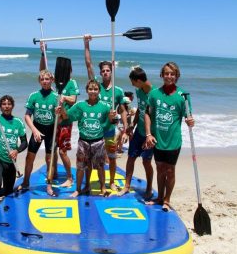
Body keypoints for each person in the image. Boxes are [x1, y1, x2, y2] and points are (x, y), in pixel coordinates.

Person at [145, 62, 195, 211]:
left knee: (170, 170)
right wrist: (148, 134)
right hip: (157, 139)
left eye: (172, 74)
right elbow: (147, 113)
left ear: (177, 76)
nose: (169, 76)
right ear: (162, 75)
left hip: (173, 140)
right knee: (160, 169)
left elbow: (188, 116)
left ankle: (167, 200)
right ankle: (159, 197)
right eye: (166, 73)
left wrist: (190, 120)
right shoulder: (154, 94)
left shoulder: (183, 96)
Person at [56, 79, 116, 198]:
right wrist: (61, 108)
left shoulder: (106, 106)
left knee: (100, 167)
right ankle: (78, 189)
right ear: (86, 90)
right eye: (90, 89)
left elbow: (110, 124)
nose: (93, 91)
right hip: (83, 142)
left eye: (95, 89)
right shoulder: (80, 105)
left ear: (99, 91)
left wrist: (111, 117)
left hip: (98, 141)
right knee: (80, 168)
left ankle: (103, 188)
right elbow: (67, 116)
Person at [83, 35, 128, 191]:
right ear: (100, 73)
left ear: (112, 71)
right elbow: (88, 64)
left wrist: (125, 129)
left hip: (109, 130)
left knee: (112, 158)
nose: (105, 73)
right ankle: (88, 183)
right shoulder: (96, 86)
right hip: (94, 130)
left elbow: (122, 110)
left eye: (108, 70)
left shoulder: (118, 90)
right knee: (91, 159)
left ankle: (112, 182)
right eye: (103, 71)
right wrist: (86, 44)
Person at [39, 44, 79, 187]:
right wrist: (43, 53)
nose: (65, 71)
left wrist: (64, 97)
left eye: (67, 69)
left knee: (63, 152)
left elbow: (74, 99)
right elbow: (43, 72)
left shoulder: (72, 82)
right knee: (52, 150)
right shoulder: (56, 81)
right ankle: (53, 173)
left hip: (65, 121)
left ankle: (69, 178)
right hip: (53, 121)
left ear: (70, 70)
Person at [118, 67, 154, 198]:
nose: (132, 85)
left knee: (146, 162)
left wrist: (150, 135)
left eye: (133, 82)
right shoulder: (139, 90)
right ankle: (126, 186)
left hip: (150, 134)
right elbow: (140, 109)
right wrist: (132, 125)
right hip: (139, 131)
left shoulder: (154, 94)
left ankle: (149, 188)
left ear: (139, 81)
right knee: (131, 157)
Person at [21, 69, 59, 196]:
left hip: (51, 131)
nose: (44, 81)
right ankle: (26, 182)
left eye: (47, 79)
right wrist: (34, 130)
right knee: (29, 157)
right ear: (39, 81)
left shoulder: (56, 97)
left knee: (49, 159)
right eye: (42, 79)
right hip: (37, 129)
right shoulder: (34, 96)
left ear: (52, 80)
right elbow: (27, 116)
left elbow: (64, 117)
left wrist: (61, 111)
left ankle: (49, 186)